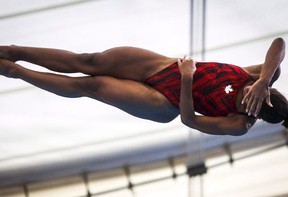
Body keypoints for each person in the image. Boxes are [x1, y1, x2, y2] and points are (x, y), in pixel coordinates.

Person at [0, 38, 287, 136]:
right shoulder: (261, 76)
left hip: (164, 102)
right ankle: (14, 51)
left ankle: (16, 71)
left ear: (254, 113)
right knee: (89, 60)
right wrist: (262, 80)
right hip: (162, 66)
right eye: (255, 91)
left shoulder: (239, 124)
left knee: (92, 85)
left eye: (249, 100)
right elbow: (280, 44)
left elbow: (189, 120)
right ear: (267, 90)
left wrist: (187, 78)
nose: (248, 94)